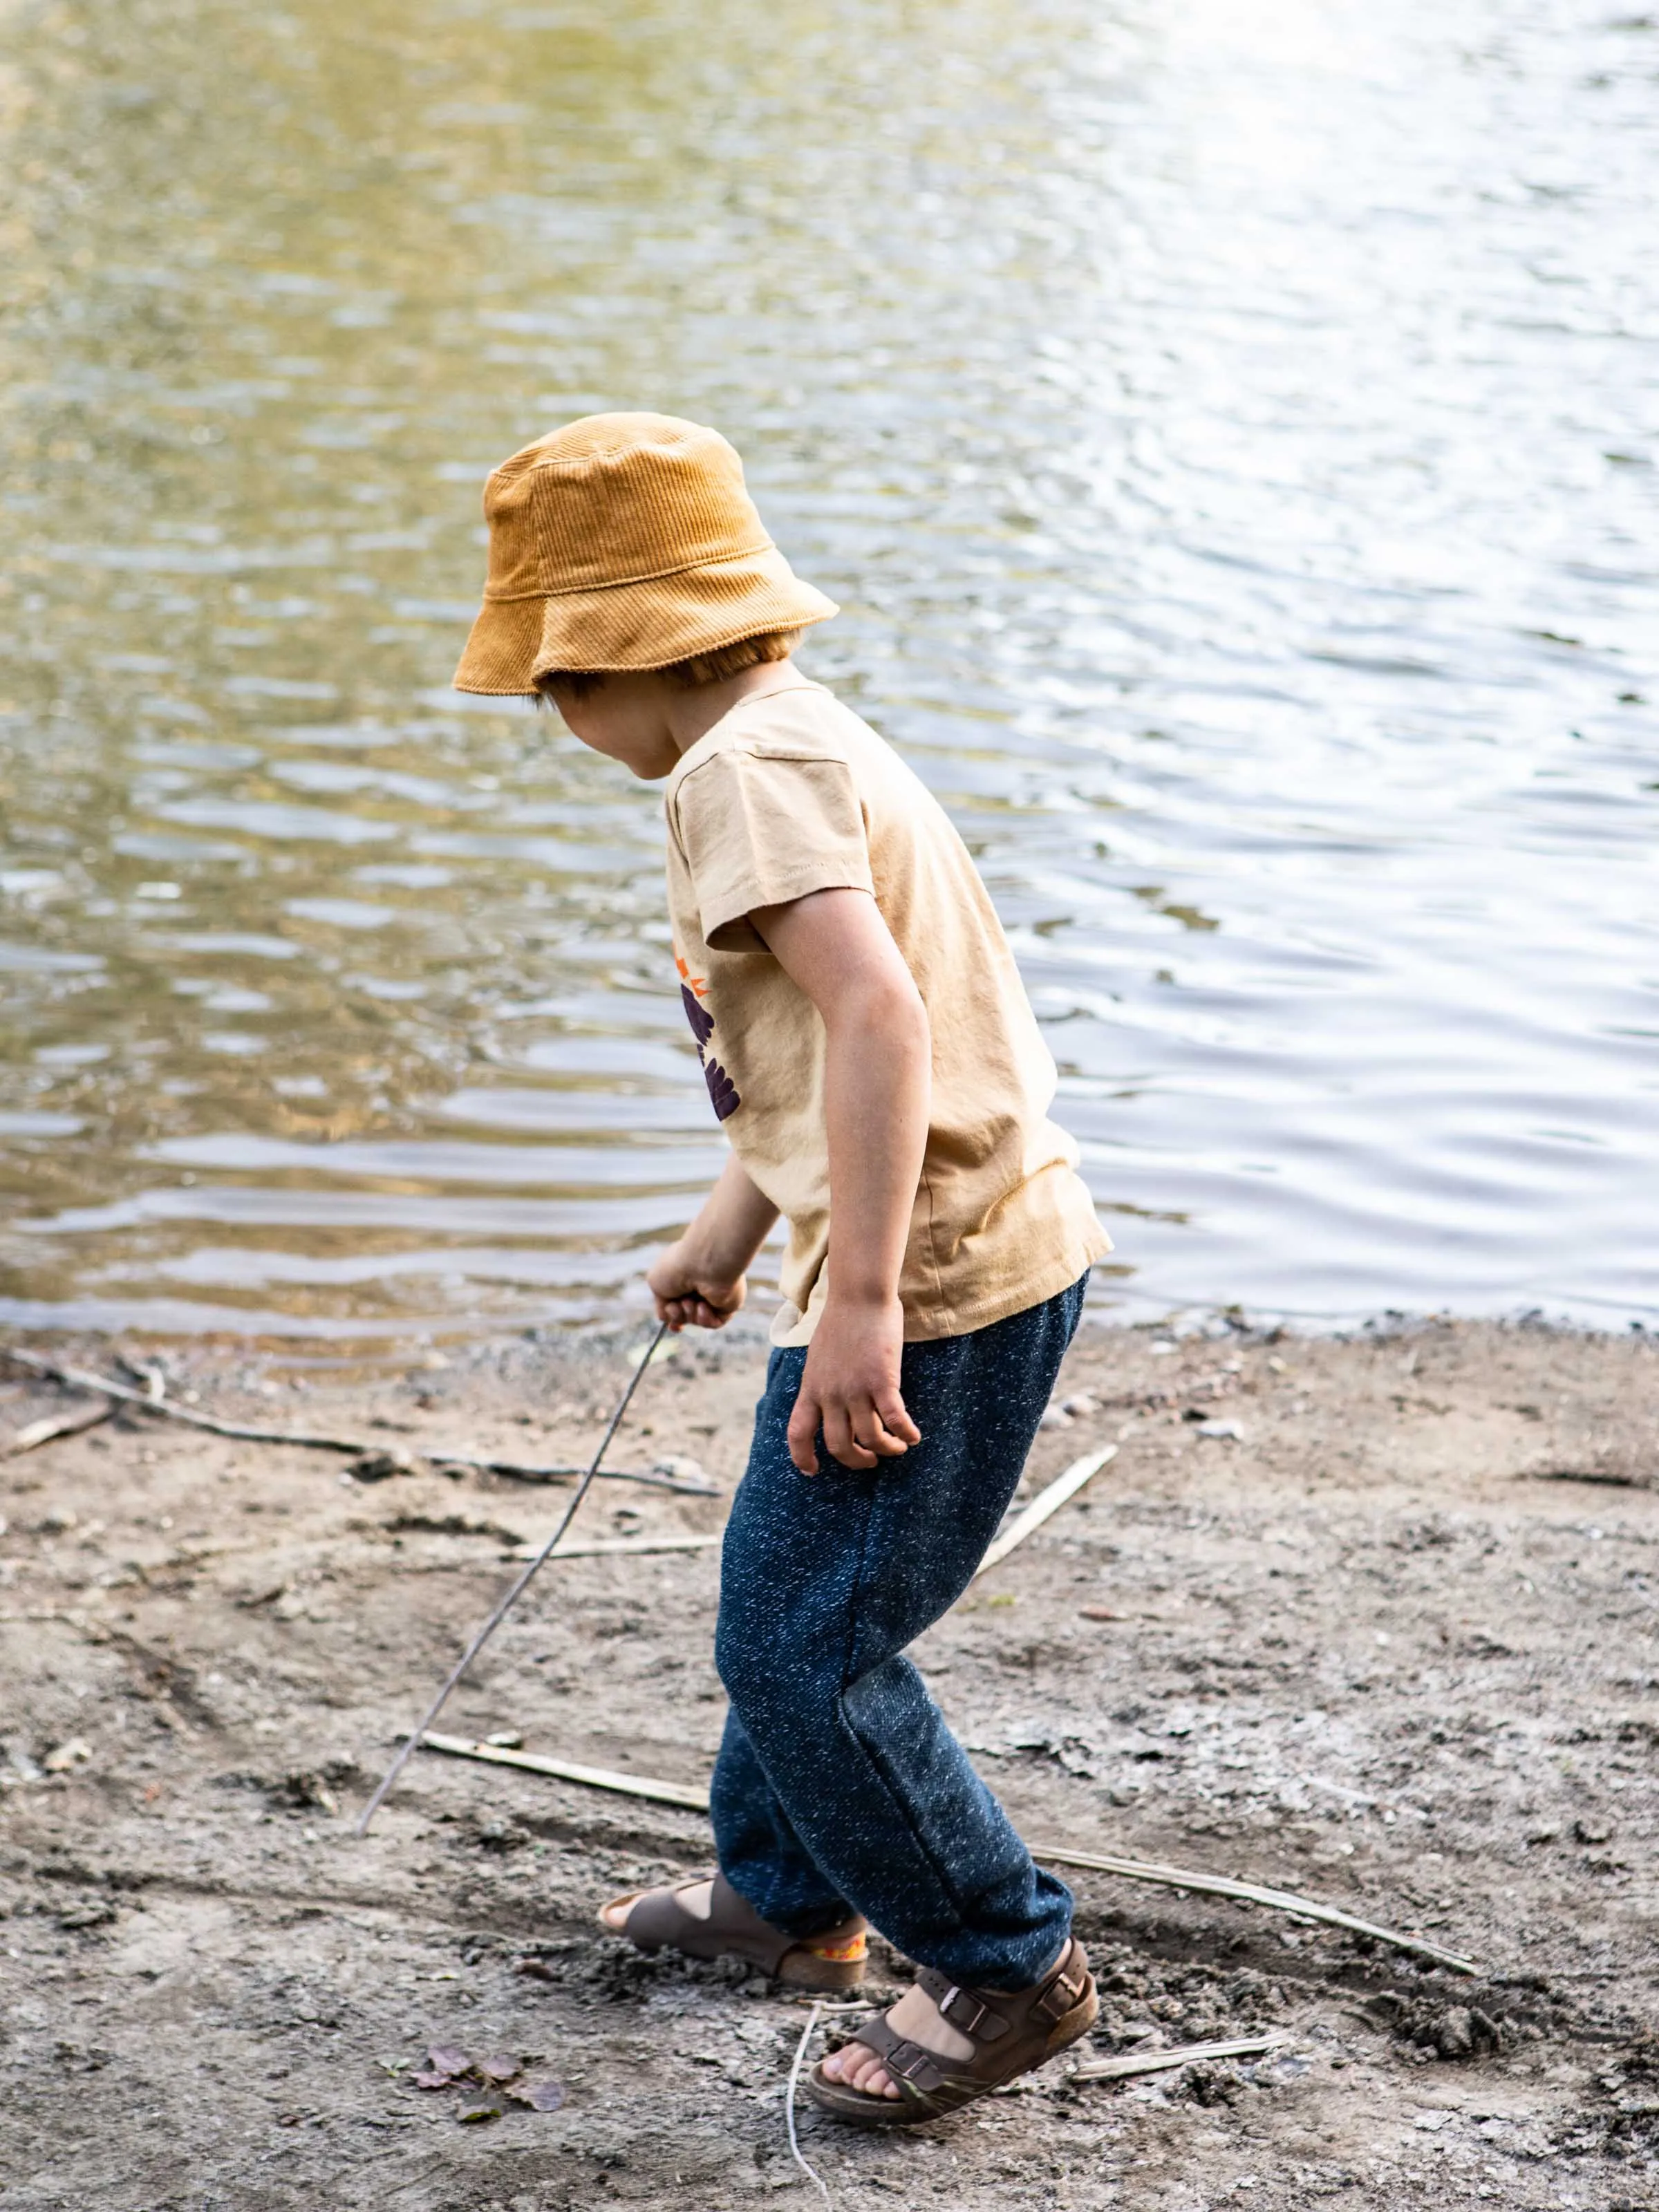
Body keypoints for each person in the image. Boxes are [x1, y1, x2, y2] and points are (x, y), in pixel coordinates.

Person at [453, 413, 1110, 2126]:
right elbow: (813, 1055)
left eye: (550, 687)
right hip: (918, 1243)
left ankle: (1001, 1958)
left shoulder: (732, 777)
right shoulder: (791, 728)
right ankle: (785, 1895)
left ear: (607, 670)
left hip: (939, 1275)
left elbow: (881, 1011)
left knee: (804, 1643)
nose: (553, 720)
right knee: (782, 1592)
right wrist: (735, 1226)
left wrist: (868, 1305)